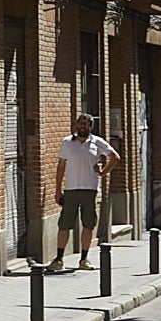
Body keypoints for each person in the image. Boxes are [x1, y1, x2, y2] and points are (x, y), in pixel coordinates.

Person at [48, 113, 120, 272]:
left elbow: (115, 157)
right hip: (70, 189)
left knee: (88, 224)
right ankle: (59, 259)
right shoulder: (67, 142)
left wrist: (102, 173)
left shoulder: (97, 142)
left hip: (90, 189)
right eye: (80, 123)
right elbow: (61, 166)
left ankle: (84, 259)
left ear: (91, 126)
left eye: (86, 124)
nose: (82, 126)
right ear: (76, 125)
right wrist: (58, 189)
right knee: (64, 225)